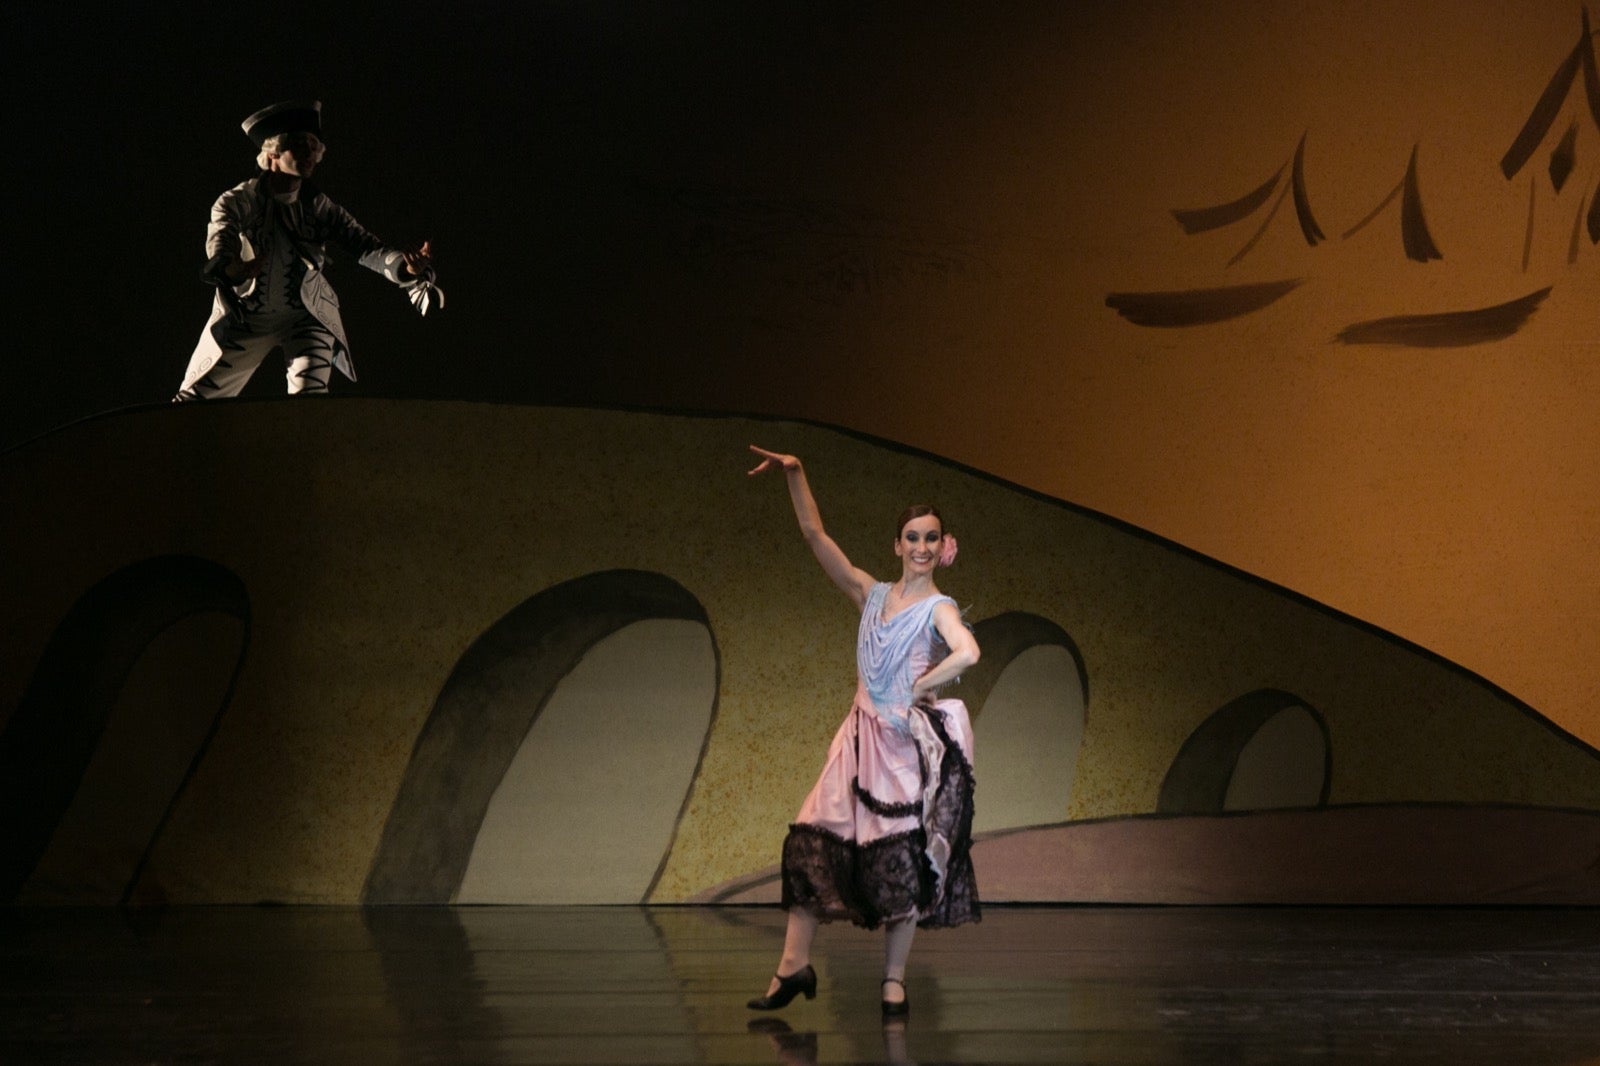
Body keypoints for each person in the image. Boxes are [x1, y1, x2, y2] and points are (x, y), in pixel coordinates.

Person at [745, 444, 981, 1019]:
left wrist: (925, 683)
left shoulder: (939, 608)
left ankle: (894, 981)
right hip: (853, 748)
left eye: (932, 538)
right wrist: (797, 473)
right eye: (913, 537)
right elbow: (814, 535)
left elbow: (969, 650)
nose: (922, 547)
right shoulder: (870, 595)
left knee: (899, 864)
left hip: (898, 752)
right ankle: (793, 967)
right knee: (809, 843)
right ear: (897, 544)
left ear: (940, 548)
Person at [173, 99, 442, 402]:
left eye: (315, 147)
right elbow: (221, 237)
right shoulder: (237, 201)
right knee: (193, 404)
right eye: (301, 145)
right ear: (273, 152)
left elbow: (365, 246)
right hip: (246, 316)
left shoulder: (320, 207)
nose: (311, 154)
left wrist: (406, 268)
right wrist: (230, 266)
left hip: (305, 316)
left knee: (309, 402)